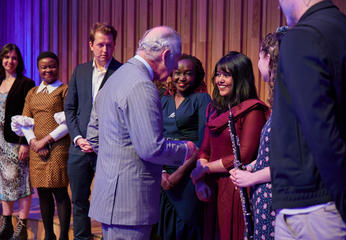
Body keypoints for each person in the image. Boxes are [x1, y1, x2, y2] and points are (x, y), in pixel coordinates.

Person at [86, 26, 197, 240]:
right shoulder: (142, 85)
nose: (174, 69)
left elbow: (94, 136)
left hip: (111, 196)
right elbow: (151, 148)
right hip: (130, 203)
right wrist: (186, 149)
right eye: (175, 61)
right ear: (165, 55)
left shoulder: (114, 78)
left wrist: (116, 164)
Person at [271, 0, 346, 239]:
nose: (279, 6)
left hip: (315, 205)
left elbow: (321, 127)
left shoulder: (302, 37)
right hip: (333, 201)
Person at [190, 51, 268, 240]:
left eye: (226, 75)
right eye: (218, 74)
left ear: (240, 78)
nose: (220, 80)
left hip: (236, 187)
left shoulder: (253, 110)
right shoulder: (213, 108)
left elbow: (244, 156)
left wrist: (205, 169)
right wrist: (199, 182)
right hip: (212, 187)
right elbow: (205, 149)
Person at [64, 22, 122, 240]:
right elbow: (70, 108)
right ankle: (82, 237)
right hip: (80, 148)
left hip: (108, 149)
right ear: (91, 45)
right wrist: (78, 138)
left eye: (109, 45)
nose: (105, 50)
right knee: (78, 199)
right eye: (100, 45)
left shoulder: (122, 71)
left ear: (114, 45)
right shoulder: (79, 71)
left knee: (109, 200)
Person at [229, 29, 287, 240]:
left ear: (268, 58)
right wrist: (252, 166)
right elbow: (273, 154)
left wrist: (251, 177)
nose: (258, 62)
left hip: (274, 199)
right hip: (265, 198)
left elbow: (290, 163)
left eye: (259, 56)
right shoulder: (282, 99)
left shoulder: (289, 103)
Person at [16, 51, 71, 240]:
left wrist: (45, 141)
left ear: (58, 66)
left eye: (52, 66)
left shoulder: (64, 90)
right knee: (43, 192)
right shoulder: (32, 92)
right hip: (36, 148)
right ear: (38, 69)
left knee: (59, 191)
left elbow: (69, 122)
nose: (48, 70)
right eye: (44, 67)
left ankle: (63, 236)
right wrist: (34, 142)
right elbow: (25, 121)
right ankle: (49, 235)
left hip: (57, 146)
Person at [158, 54, 210, 240]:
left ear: (197, 76)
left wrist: (179, 173)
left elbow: (204, 140)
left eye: (188, 73)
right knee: (165, 228)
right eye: (177, 73)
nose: (182, 78)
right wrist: (162, 172)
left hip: (188, 174)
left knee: (185, 226)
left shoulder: (202, 99)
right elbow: (157, 139)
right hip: (163, 175)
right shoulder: (163, 101)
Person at [0, 43, 34, 240]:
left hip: (16, 141)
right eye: (6, 57)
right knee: (3, 183)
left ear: (18, 61)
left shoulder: (25, 83)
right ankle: (6, 224)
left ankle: (22, 225)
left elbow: (28, 115)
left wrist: (25, 143)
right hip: (0, 142)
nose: (9, 61)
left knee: (22, 182)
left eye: (13, 58)